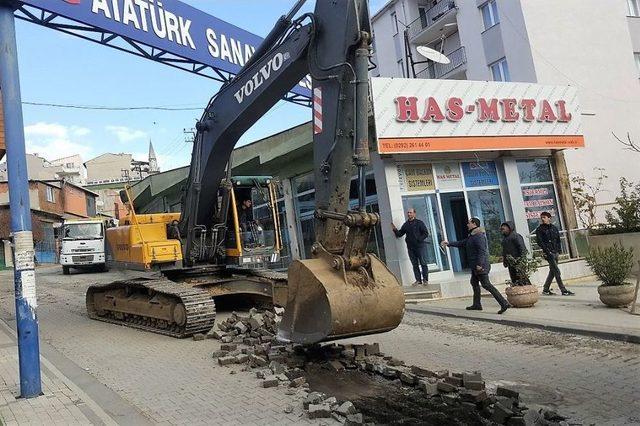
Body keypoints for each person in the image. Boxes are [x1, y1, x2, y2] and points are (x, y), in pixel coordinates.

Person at [442, 217, 510, 314]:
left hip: (480, 266)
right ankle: (477, 304)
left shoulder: (478, 236)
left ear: (474, 224)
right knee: (474, 282)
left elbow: (482, 251)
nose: (467, 224)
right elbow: (462, 243)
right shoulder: (472, 236)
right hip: (475, 266)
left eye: (469, 223)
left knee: (486, 285)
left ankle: (503, 303)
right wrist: (449, 243)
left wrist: (479, 264)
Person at [535, 212, 574, 296]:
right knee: (556, 271)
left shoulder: (554, 228)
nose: (542, 219)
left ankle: (546, 289)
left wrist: (559, 251)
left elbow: (558, 240)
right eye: (541, 217)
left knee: (552, 271)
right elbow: (540, 242)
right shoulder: (540, 229)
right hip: (548, 253)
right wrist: (547, 251)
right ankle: (563, 290)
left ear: (549, 218)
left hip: (555, 252)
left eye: (544, 217)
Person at [392, 208, 430, 286]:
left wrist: (419, 239)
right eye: (408, 213)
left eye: (410, 212)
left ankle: (425, 280)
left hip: (420, 247)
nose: (409, 214)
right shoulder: (406, 224)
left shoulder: (419, 223)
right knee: (415, 264)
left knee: (423, 263)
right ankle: (418, 280)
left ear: (414, 214)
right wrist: (395, 230)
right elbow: (400, 234)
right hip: (411, 248)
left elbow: (426, 233)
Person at [500, 221, 530, 285]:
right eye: (502, 228)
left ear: (510, 228)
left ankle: (529, 292)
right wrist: (505, 261)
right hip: (510, 263)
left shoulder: (516, 236)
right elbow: (505, 251)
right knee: (514, 280)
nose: (502, 229)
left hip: (518, 262)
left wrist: (522, 261)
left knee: (522, 278)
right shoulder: (504, 239)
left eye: (504, 227)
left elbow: (522, 248)